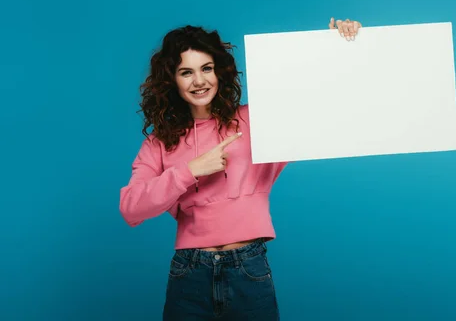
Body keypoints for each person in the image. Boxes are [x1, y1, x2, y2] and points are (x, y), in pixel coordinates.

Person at [119, 17, 363, 320]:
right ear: (172, 80)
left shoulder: (255, 121)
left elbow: (319, 104)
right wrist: (190, 170)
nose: (199, 81)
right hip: (189, 272)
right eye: (186, 72)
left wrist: (335, 45)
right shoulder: (160, 143)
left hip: (249, 270)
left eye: (206, 68)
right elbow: (131, 207)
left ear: (219, 71)